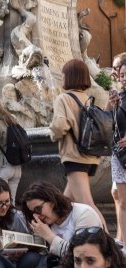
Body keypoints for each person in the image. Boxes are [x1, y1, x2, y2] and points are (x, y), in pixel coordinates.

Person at [49, 58, 107, 230]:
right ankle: (52, 236)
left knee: (87, 203)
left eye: (64, 74)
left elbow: (60, 126)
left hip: (75, 157)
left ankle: (107, 244)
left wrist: (53, 134)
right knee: (64, 203)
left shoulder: (64, 99)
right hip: (90, 157)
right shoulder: (88, 99)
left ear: (69, 76)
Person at [17, 181, 102, 268]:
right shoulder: (45, 223)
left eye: (38, 209)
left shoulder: (84, 214)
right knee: (28, 260)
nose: (36, 216)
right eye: (32, 213)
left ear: (52, 202)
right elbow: (44, 254)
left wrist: (49, 237)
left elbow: (82, 256)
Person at [106, 59, 126, 255]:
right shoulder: (120, 96)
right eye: (121, 75)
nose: (123, 79)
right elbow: (108, 120)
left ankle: (123, 242)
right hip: (118, 154)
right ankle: (120, 237)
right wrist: (110, 104)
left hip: (124, 155)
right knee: (116, 195)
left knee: (123, 199)